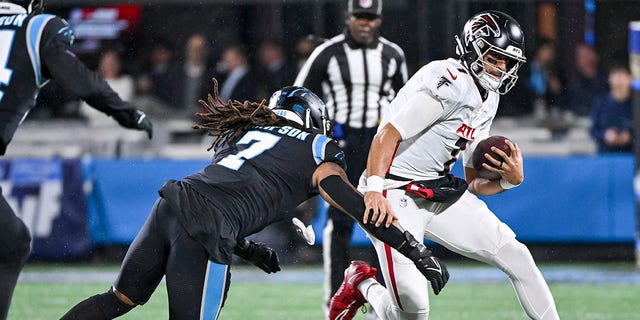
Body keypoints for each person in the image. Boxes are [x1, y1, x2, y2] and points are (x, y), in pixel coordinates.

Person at [59, 82, 449, 320]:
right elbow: (363, 209)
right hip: (205, 230)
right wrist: (414, 249)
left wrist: (248, 248)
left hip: (171, 204)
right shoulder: (318, 149)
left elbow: (220, 198)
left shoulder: (244, 136)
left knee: (119, 299)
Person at [329, 11, 560, 320]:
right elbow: (386, 135)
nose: (501, 68)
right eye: (495, 57)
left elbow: (472, 181)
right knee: (414, 310)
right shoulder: (448, 81)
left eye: (506, 61)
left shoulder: (488, 96)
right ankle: (364, 284)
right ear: (473, 48)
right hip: (393, 191)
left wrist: (509, 181)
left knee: (517, 256)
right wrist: (373, 191)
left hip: (435, 189)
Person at [0, 1, 153, 319]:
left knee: (11, 240)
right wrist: (126, 111)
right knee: (11, 243)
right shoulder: (37, 27)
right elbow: (77, 77)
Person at [293, 0, 408, 312]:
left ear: (380, 20)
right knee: (339, 221)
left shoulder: (393, 55)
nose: (365, 23)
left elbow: (406, 104)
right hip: (341, 144)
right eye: (360, 16)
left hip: (379, 145)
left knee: (388, 218)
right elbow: (299, 96)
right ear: (348, 17)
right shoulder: (327, 53)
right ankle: (334, 298)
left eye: (371, 17)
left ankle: (389, 297)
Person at [589, 64, 633, 153]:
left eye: (622, 75)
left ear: (630, 78)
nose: (619, 80)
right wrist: (605, 134)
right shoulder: (600, 102)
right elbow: (592, 130)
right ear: (610, 79)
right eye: (615, 75)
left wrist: (630, 136)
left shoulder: (635, 104)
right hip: (605, 156)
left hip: (631, 157)